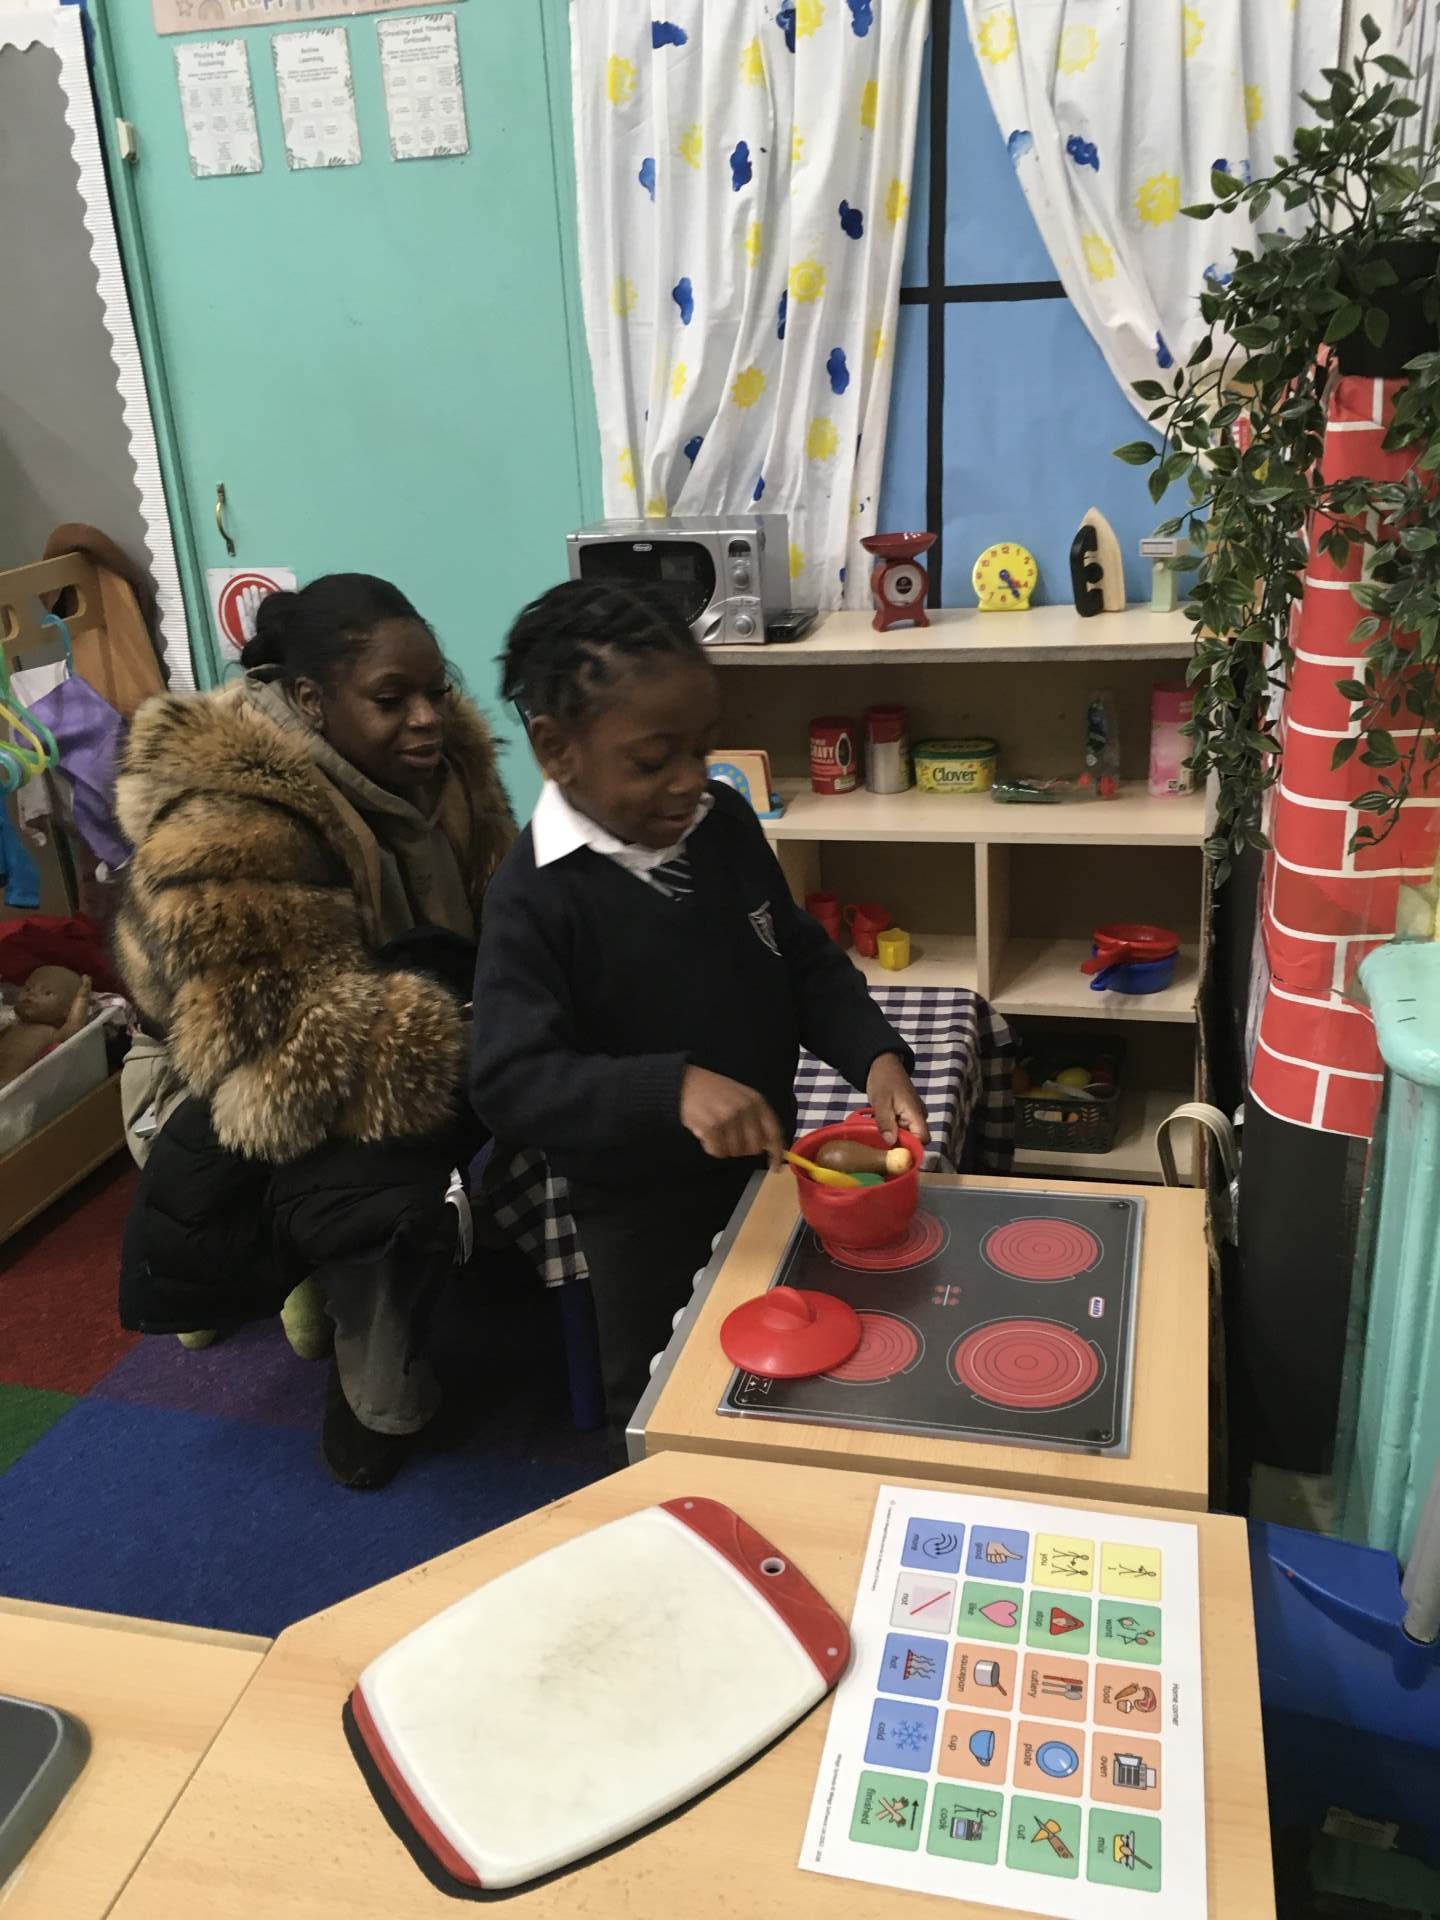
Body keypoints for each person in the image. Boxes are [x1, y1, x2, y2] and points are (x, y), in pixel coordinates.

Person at [470, 580, 929, 1438]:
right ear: (556, 749)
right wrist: (671, 1088)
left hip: (767, 1174)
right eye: (653, 762)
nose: (690, 781)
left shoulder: (722, 826)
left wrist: (873, 1053)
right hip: (640, 1214)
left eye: (702, 748)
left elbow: (799, 956)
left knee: (792, 1356)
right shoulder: (534, 897)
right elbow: (510, 1078)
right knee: (665, 1392)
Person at [114, 573, 514, 1487]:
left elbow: (499, 913)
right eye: (391, 699)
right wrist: (492, 1032)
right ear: (308, 699)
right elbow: (283, 1062)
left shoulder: (448, 763)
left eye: (435, 689)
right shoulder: (228, 819)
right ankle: (376, 1398)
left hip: (389, 1015)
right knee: (379, 1184)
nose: (426, 717)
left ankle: (298, 1275)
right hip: (210, 1080)